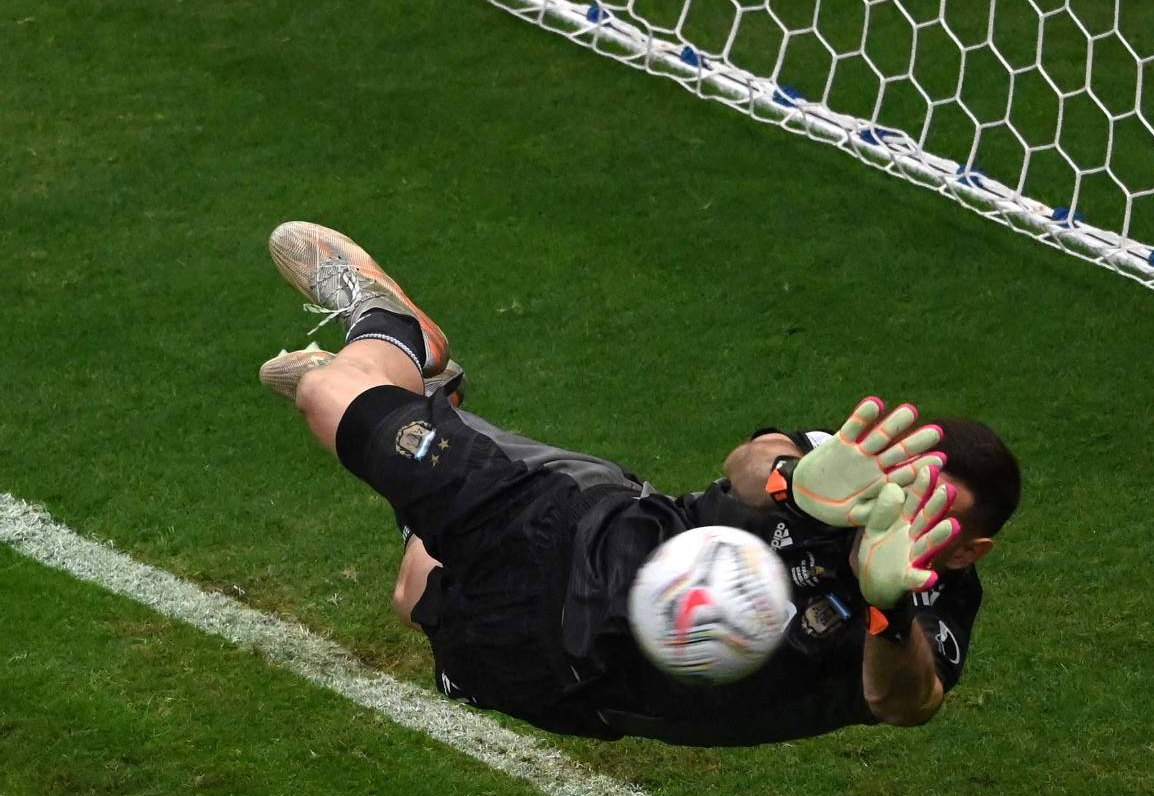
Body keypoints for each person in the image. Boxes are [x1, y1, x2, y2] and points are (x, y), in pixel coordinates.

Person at [257, 222, 1021, 746]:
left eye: (929, 512)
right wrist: (792, 478)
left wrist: (885, 607)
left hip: (565, 674)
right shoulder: (855, 473)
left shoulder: (933, 611)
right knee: (333, 399)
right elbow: (745, 464)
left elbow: (905, 704)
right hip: (587, 527)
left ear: (970, 549)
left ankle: (431, 396)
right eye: (902, 485)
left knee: (416, 589)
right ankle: (396, 336)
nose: (896, 508)